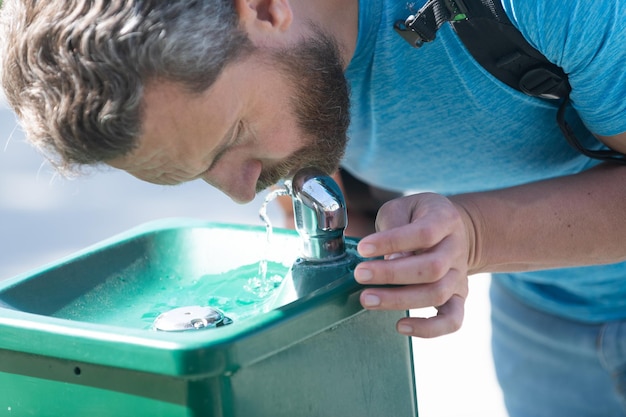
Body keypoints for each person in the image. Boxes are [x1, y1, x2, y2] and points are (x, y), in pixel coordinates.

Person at [1, 0, 625, 415]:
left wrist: (478, 235)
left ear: (266, 9)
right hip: (549, 316)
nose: (244, 192)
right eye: (201, 173)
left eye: (231, 140)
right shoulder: (294, 58)